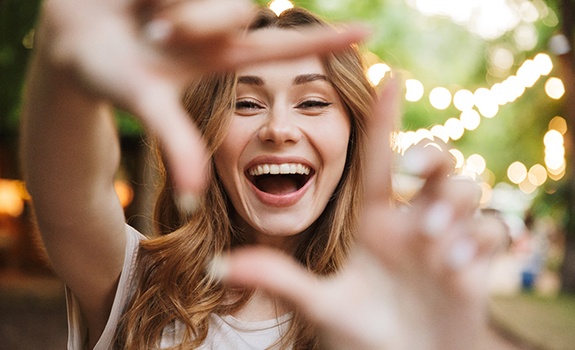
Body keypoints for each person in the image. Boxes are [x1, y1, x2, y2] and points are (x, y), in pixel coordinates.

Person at [20, 0, 509, 349]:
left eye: (313, 102)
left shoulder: (397, 309)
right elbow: (70, 190)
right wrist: (64, 74)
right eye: (246, 103)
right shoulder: (135, 284)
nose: (278, 128)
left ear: (354, 136)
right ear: (208, 133)